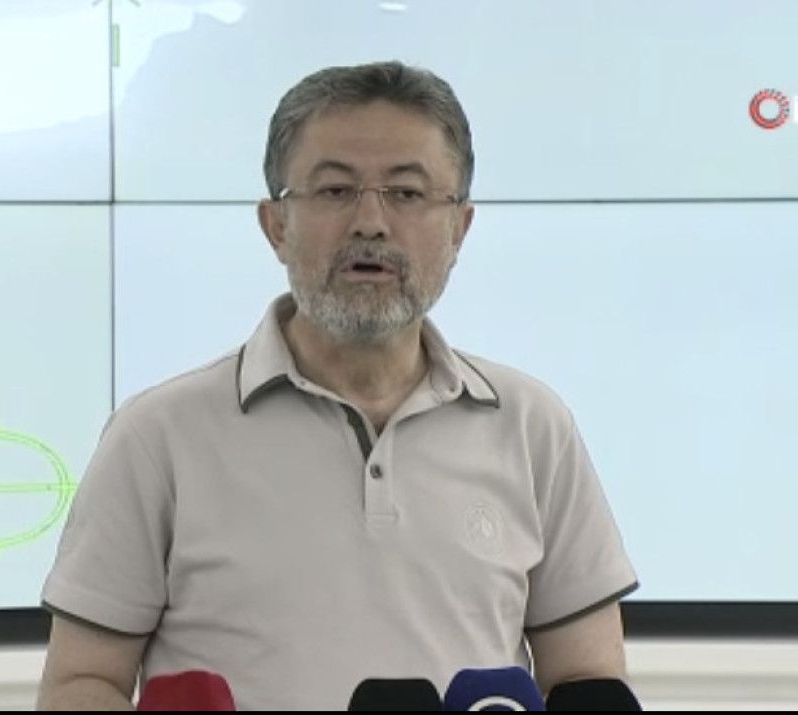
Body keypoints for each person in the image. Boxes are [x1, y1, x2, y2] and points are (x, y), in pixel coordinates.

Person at [36, 60, 638, 711]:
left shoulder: (532, 425)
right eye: (334, 191)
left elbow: (586, 675)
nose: (370, 223)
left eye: (406, 193)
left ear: (459, 228)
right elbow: (82, 681)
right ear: (275, 225)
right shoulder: (157, 436)